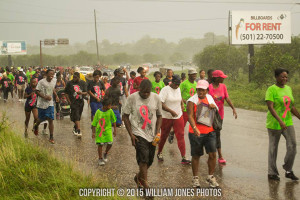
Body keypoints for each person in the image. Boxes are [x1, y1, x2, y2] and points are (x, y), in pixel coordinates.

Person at [123, 79, 162, 190]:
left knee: (150, 161)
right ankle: (146, 186)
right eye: (143, 92)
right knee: (143, 159)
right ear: (139, 89)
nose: (145, 94)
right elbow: (125, 116)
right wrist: (131, 134)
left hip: (152, 134)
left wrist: (158, 131)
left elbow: (159, 115)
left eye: (147, 92)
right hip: (138, 133)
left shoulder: (156, 98)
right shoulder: (132, 98)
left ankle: (138, 177)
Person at [266, 68, 300, 181]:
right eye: (282, 76)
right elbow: (270, 107)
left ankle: (288, 169)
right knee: (273, 148)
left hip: (288, 122)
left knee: (293, 146)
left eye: (286, 77)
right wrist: (280, 121)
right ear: (276, 77)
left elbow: (291, 106)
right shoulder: (271, 89)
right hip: (274, 123)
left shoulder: (288, 89)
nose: (285, 78)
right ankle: (272, 172)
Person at [187, 80, 219, 188]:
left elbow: (216, 109)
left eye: (203, 90)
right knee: (196, 155)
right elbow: (190, 116)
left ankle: (210, 176)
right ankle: (195, 179)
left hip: (210, 131)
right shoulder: (192, 100)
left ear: (207, 90)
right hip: (196, 132)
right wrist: (195, 128)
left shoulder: (210, 98)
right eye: (199, 89)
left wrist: (213, 106)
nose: (200, 91)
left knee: (213, 154)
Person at [157, 75, 190, 164]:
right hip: (167, 116)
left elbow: (179, 99)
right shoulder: (165, 90)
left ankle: (184, 157)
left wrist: (182, 105)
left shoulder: (178, 88)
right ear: (172, 82)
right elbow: (161, 103)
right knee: (164, 135)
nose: (177, 86)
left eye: (178, 84)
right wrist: (171, 111)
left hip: (178, 115)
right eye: (176, 84)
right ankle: (159, 152)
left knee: (181, 135)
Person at [209, 70, 237, 164]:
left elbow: (227, 98)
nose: (223, 79)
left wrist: (233, 108)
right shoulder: (209, 88)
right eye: (222, 77)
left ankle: (218, 155)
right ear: (217, 78)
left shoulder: (223, 86)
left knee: (217, 134)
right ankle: (216, 154)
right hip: (209, 115)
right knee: (210, 134)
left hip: (220, 115)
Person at [33, 69, 59, 144]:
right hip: (41, 103)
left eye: (53, 74)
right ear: (46, 74)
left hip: (50, 103)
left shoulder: (54, 80)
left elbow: (52, 88)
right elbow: (37, 91)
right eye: (50, 74)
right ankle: (36, 126)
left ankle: (51, 137)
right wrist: (44, 97)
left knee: (50, 119)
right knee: (41, 119)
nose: (51, 76)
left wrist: (56, 95)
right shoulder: (41, 82)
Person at [92, 97, 117, 166]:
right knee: (100, 144)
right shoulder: (98, 112)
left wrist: (115, 130)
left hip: (108, 130)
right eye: (108, 105)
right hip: (100, 132)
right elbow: (94, 123)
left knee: (110, 143)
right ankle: (100, 158)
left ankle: (105, 153)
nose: (110, 106)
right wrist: (93, 132)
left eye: (110, 105)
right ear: (104, 105)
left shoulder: (110, 111)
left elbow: (114, 120)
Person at [65, 72, 87, 138]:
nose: (74, 79)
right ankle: (79, 130)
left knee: (78, 117)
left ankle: (75, 127)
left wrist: (81, 93)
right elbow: (66, 93)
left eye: (75, 77)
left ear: (79, 77)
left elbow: (86, 92)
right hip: (73, 102)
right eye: (73, 77)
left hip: (80, 102)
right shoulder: (69, 83)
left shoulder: (83, 83)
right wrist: (69, 102)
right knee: (76, 116)